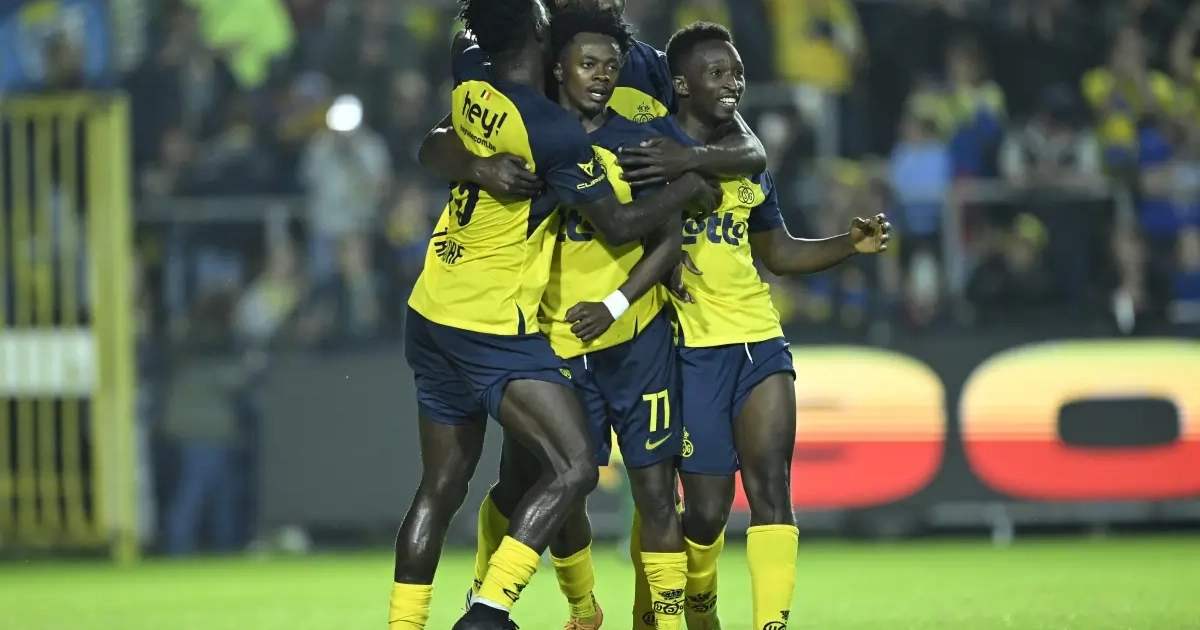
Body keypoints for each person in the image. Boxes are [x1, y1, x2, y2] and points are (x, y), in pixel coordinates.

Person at [390, 0, 722, 629]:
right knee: (573, 466)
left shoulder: (471, 73)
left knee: (440, 488)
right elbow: (619, 222)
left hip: (430, 304)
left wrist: (476, 164)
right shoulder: (552, 128)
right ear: (547, 38)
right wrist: (687, 184)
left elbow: (432, 143)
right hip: (492, 322)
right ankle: (488, 613)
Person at [654, 22, 891, 630]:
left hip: (759, 339)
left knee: (771, 489)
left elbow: (777, 252)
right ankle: (700, 605)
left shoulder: (745, 157)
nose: (732, 82)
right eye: (716, 72)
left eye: (736, 72)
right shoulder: (651, 150)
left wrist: (849, 244)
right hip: (691, 349)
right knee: (705, 511)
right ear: (681, 84)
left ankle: (771, 624)